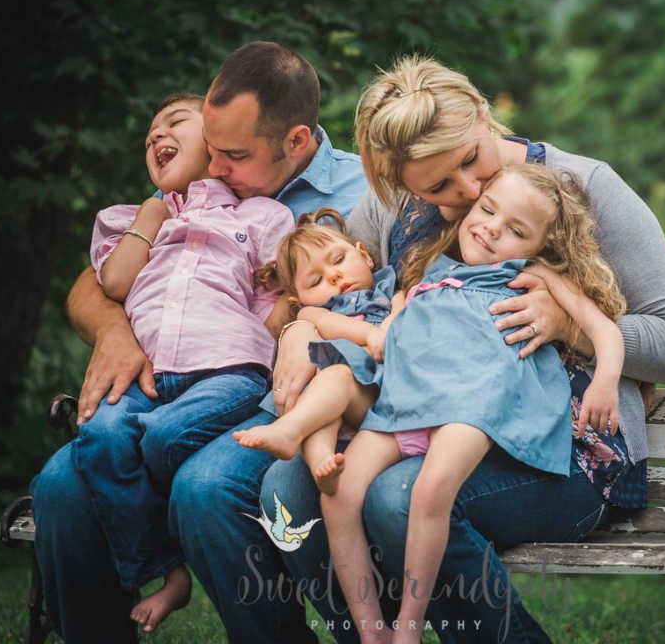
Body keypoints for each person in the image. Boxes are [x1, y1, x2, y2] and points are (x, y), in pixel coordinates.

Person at [261, 54, 665, 643]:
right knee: (288, 488)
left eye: (471, 160)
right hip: (432, 417)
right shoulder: (392, 209)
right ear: (400, 185)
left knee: (398, 496)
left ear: (483, 115)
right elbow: (326, 284)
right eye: (438, 186)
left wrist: (566, 323)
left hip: (566, 451)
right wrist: (298, 331)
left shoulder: (584, 187)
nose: (468, 191)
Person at [29, 42, 367, 643]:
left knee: (205, 486)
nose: (213, 162)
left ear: (295, 141)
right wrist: (113, 332)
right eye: (209, 144)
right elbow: (97, 281)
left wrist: (301, 326)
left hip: (293, 402)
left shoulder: (363, 197)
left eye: (231, 155)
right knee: (59, 485)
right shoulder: (192, 189)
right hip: (171, 388)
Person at [309, 163, 624, 643]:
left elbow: (605, 329)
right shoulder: (432, 270)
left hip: (475, 405)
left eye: (516, 230)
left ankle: (409, 627)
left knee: (431, 491)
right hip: (407, 403)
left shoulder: (532, 273)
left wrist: (605, 379)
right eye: (488, 210)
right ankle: (371, 630)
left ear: (543, 246)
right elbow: (381, 332)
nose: (492, 229)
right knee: (338, 495)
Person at [73, 91, 295, 632]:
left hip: (230, 371)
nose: (155, 135)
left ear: (216, 141)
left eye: (175, 122)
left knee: (160, 438)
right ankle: (166, 572)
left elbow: (274, 306)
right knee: (98, 437)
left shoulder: (260, 214)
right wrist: (151, 214)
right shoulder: (128, 218)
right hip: (150, 380)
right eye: (149, 134)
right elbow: (117, 282)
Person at [234, 208, 404, 494]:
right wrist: (370, 335)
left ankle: (290, 432)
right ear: (298, 300)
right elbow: (330, 322)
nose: (335, 276)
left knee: (334, 379)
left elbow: (403, 308)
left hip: (377, 394)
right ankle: (321, 464)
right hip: (334, 398)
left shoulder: (390, 289)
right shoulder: (311, 314)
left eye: (338, 260)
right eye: (315, 281)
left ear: (364, 254)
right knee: (319, 392)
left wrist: (386, 327)